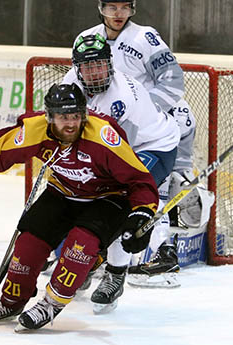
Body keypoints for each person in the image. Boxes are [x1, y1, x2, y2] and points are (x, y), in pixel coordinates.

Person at [0, 83, 159, 331]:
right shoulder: (35, 131)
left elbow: (140, 180)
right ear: (49, 117)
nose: (70, 124)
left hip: (108, 198)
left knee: (80, 245)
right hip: (62, 193)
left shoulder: (103, 138)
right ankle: (11, 300)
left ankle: (51, 303)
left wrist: (142, 212)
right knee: (28, 244)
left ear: (84, 115)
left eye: (75, 117)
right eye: (62, 117)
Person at [71, 0, 215, 290]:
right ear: (101, 8)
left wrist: (148, 113)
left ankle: (164, 249)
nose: (118, 13)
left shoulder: (145, 37)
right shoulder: (87, 39)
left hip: (156, 125)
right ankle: (89, 249)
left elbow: (173, 82)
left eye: (124, 7)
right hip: (118, 127)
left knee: (147, 186)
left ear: (132, 8)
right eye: (112, 7)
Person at [62, 33, 181, 311]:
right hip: (115, 147)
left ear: (110, 64)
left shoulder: (121, 98)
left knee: (119, 200)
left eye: (100, 65)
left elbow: (118, 159)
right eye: (87, 67)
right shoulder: (70, 84)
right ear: (77, 68)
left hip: (154, 146)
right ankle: (94, 259)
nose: (94, 73)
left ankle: (115, 276)